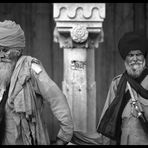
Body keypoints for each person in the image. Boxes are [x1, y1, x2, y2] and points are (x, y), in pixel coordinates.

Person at [0, 20, 74, 145]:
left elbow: (57, 99)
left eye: (5, 50)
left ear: (17, 50)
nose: (1, 55)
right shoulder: (2, 71)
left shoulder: (31, 69)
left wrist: (64, 136)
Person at [97, 31, 148, 145]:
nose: (135, 59)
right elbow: (108, 117)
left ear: (143, 56)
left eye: (138, 54)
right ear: (126, 59)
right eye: (130, 55)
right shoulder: (118, 83)